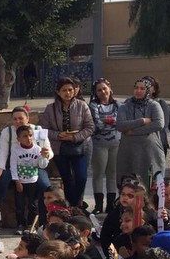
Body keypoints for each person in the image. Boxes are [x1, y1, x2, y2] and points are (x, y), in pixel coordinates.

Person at [40, 77, 95, 208]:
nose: (68, 93)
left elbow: (90, 127)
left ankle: (75, 205)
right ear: (58, 92)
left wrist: (74, 137)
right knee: (67, 179)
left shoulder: (82, 106)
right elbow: (43, 129)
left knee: (81, 177)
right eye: (64, 90)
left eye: (70, 89)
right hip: (59, 148)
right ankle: (71, 207)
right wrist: (58, 135)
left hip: (79, 147)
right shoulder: (50, 108)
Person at [117, 77, 166, 185]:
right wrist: (142, 121)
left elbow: (158, 124)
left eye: (142, 88)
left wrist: (133, 131)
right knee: (128, 183)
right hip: (128, 150)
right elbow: (120, 125)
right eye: (136, 88)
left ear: (148, 91)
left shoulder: (154, 105)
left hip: (149, 151)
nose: (138, 91)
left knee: (150, 183)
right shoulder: (125, 106)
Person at [90, 78, 120, 214]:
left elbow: (120, 122)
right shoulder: (93, 106)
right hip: (99, 144)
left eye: (104, 88)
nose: (102, 92)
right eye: (99, 90)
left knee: (112, 174)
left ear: (110, 89)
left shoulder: (118, 105)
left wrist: (107, 120)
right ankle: (98, 204)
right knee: (98, 174)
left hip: (116, 143)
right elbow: (97, 124)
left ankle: (111, 204)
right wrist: (110, 121)